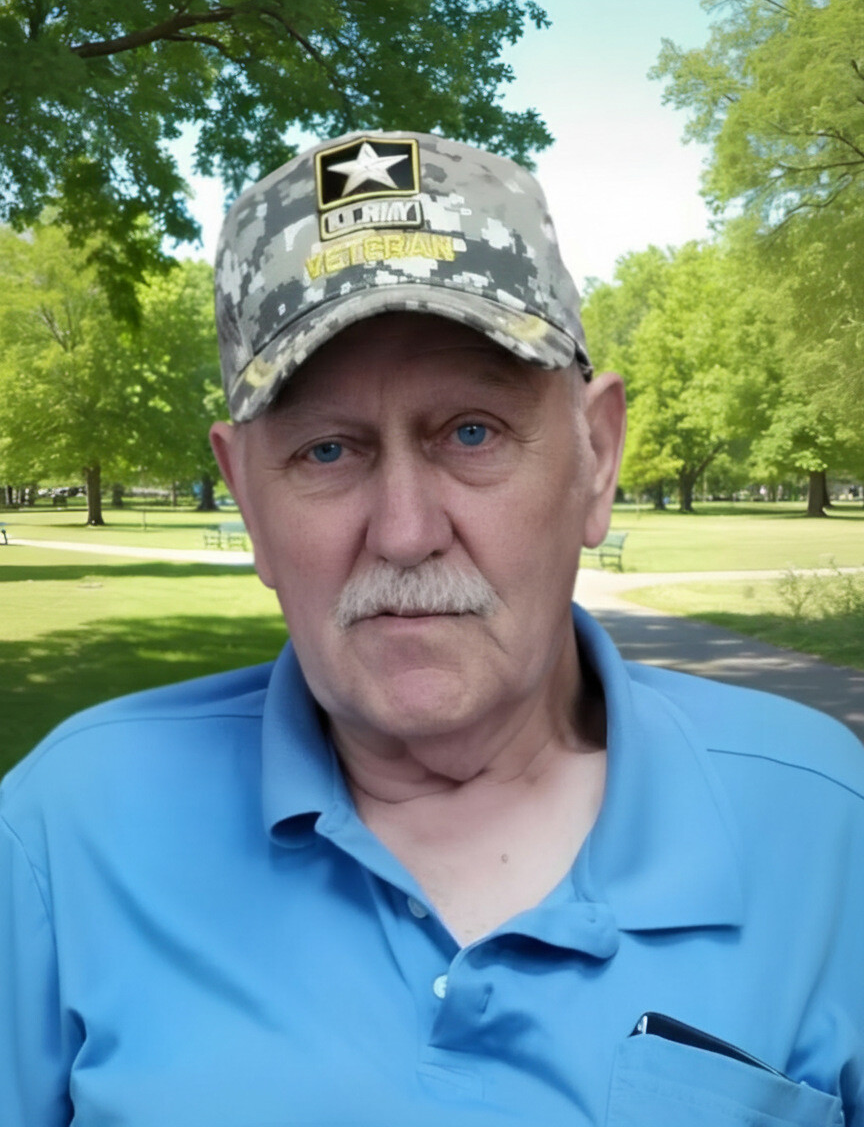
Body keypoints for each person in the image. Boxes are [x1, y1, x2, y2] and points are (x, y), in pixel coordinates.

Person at [1, 131, 862, 1127]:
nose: (405, 532)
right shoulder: (64, 833)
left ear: (596, 455)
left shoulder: (824, 824)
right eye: (327, 451)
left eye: (472, 432)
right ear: (245, 498)